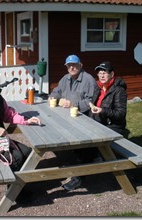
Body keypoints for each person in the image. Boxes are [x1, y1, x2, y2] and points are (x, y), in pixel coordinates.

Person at [62, 61, 128, 191]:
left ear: (112, 74)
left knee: (88, 145)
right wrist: (75, 105)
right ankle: (87, 160)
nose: (101, 75)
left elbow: (121, 114)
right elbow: (90, 103)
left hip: (113, 126)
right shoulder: (98, 87)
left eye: (104, 73)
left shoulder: (118, 90)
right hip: (99, 122)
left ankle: (79, 177)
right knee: (75, 132)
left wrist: (103, 110)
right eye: (99, 73)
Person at [48, 55, 97, 190]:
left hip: (85, 119)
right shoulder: (65, 78)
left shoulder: (88, 80)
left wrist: (72, 103)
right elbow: (57, 91)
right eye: (69, 65)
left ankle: (80, 173)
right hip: (68, 118)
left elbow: (90, 102)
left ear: (81, 65)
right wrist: (53, 97)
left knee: (79, 145)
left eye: (74, 65)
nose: (71, 67)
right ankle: (85, 157)